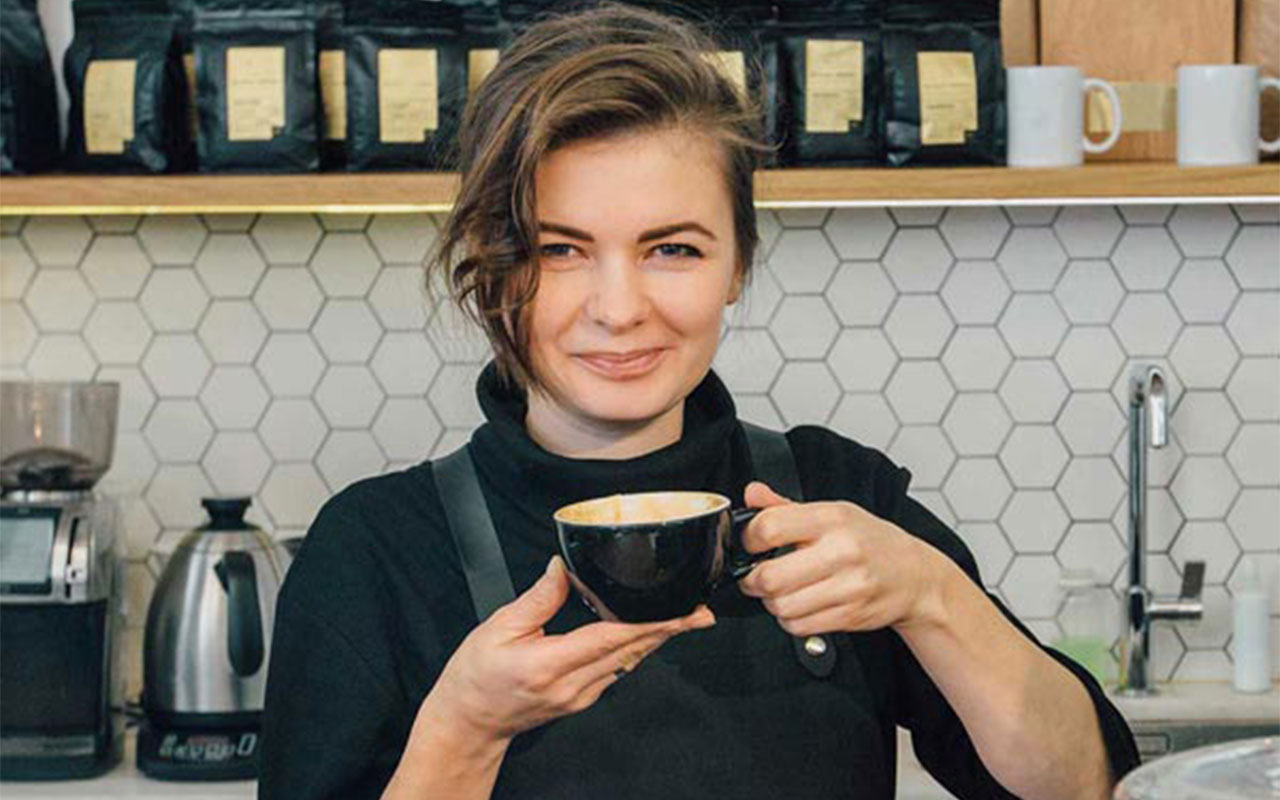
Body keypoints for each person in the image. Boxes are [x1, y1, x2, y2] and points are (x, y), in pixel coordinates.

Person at [259, 4, 1139, 798]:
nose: (618, 307)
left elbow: (1087, 789)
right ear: (497, 268)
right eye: (561, 251)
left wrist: (930, 594)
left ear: (738, 264)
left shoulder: (842, 497)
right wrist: (464, 729)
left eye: (672, 249)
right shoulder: (370, 554)